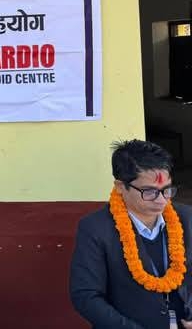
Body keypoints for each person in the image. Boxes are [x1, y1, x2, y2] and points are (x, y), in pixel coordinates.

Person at [70, 139, 192, 328]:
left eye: (167, 190)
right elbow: (86, 296)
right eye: (149, 191)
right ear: (120, 186)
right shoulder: (95, 229)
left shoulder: (187, 217)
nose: (162, 200)